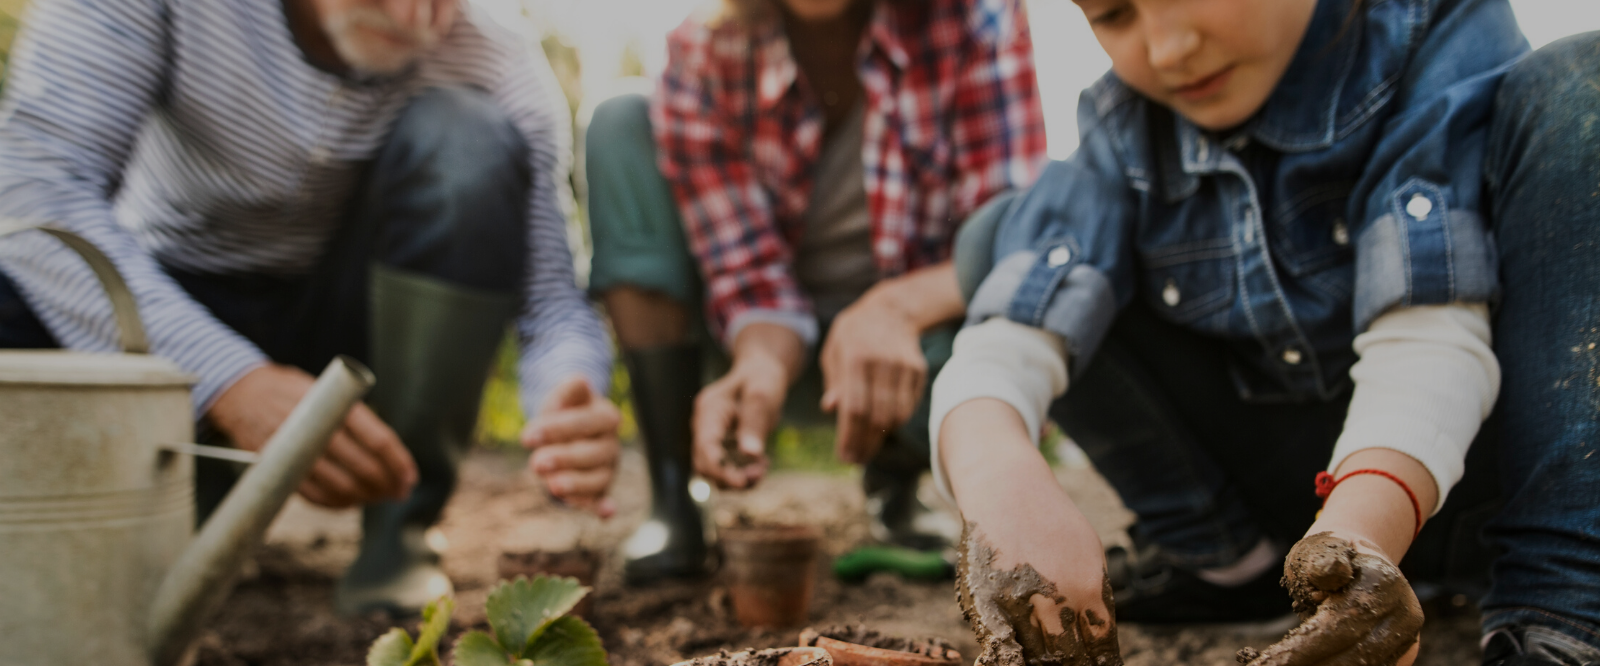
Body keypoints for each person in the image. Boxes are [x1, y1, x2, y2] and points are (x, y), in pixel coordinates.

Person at [928, 0, 1600, 665]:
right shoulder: (1122, 125)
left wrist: (1358, 534)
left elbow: (1428, 334)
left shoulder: (1436, 32)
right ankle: (1226, 565)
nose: (1166, 50)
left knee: (1581, 82)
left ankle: (1562, 608)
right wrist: (1002, 481)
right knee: (1003, 239)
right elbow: (1006, 342)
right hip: (1297, 503)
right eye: (1113, 16)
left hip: (1485, 475)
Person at [0, 0, 620, 617]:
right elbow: (34, 181)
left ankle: (399, 533)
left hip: (358, 323)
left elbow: (551, 303)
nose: (414, 15)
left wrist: (569, 391)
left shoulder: (496, 55)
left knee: (468, 139)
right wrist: (228, 381)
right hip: (172, 305)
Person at [583, 0, 1047, 583]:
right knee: (621, 119)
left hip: (918, 346)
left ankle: (896, 478)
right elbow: (747, 271)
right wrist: (760, 361)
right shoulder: (702, 50)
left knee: (989, 336)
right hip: (769, 348)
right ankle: (674, 493)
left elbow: (1008, 238)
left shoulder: (980, 18)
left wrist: (893, 311)